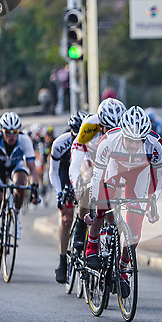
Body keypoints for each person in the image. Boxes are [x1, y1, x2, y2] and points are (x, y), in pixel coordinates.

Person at [83, 105, 162, 271]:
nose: (134, 145)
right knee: (102, 203)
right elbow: (98, 177)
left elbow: (156, 179)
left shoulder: (155, 144)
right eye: (129, 140)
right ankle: (91, 247)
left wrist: (151, 203)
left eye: (138, 140)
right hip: (115, 168)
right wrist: (93, 203)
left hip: (138, 174)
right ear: (122, 133)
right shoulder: (108, 141)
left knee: (135, 228)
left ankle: (123, 268)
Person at [0, 112, 40, 267]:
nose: (12, 136)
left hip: (16, 168)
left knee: (21, 183)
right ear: (2, 132)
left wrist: (34, 188)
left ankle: (16, 214)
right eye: (8, 132)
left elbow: (32, 169)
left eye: (14, 132)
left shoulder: (25, 141)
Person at [69, 98, 127, 253]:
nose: (113, 133)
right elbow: (76, 162)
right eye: (108, 129)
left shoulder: (126, 128)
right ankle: (80, 226)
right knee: (88, 179)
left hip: (109, 157)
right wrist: (77, 186)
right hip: (88, 154)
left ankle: (110, 234)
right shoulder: (90, 125)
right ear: (101, 125)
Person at [49, 111, 88, 283]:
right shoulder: (60, 144)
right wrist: (59, 192)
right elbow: (53, 172)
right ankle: (62, 260)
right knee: (67, 218)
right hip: (65, 178)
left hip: (84, 176)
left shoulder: (93, 142)